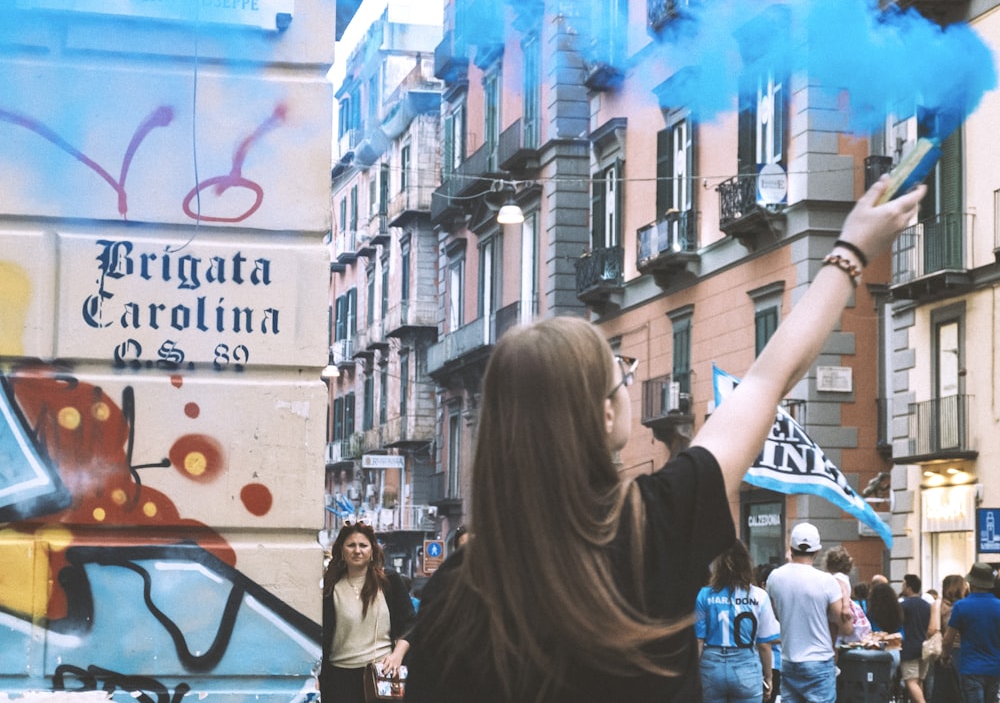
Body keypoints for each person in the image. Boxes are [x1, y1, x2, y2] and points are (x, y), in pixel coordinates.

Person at [402, 178, 924, 703]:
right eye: (622, 376)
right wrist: (851, 251)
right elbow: (768, 378)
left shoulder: (451, 596)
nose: (628, 385)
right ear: (604, 414)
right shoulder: (653, 525)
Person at [320, 521, 415, 703]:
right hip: (339, 680)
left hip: (382, 675)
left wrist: (397, 655)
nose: (357, 550)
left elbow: (410, 624)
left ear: (372, 551)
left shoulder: (389, 582)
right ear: (341, 551)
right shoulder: (330, 588)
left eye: (363, 545)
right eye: (351, 545)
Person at [766, 522, 853, 703]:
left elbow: (776, 614)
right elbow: (846, 628)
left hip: (789, 659)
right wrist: (845, 603)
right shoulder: (827, 582)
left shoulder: (774, 578)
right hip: (819, 661)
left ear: (791, 548)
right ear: (817, 551)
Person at [695, 540, 780, 702]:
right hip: (746, 666)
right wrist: (768, 677)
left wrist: (692, 675)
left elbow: (699, 641)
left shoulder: (704, 595)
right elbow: (764, 644)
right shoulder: (759, 596)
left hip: (711, 666)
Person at [941, 562, 1000, 703]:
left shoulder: (961, 606)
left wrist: (945, 656)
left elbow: (948, 639)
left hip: (970, 666)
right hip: (995, 667)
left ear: (971, 583)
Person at [931, 574, 968, 703]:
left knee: (942, 691)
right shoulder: (965, 605)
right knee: (960, 692)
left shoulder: (939, 605)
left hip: (945, 649)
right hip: (964, 651)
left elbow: (933, 629)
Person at [824, 545, 871, 646]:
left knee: (832, 642)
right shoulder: (844, 577)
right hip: (839, 611)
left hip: (836, 612)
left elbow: (843, 589)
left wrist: (845, 607)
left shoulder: (837, 577)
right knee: (835, 642)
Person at [899, 573, 934, 703]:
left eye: (903, 584)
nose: (902, 587)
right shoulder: (927, 605)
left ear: (909, 587)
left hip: (909, 648)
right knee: (919, 681)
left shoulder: (904, 605)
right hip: (924, 647)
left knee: (911, 682)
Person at [755, 564, 783, 703]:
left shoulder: (776, 604)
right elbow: (763, 638)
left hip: (775, 664)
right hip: (768, 664)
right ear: (764, 584)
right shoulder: (760, 601)